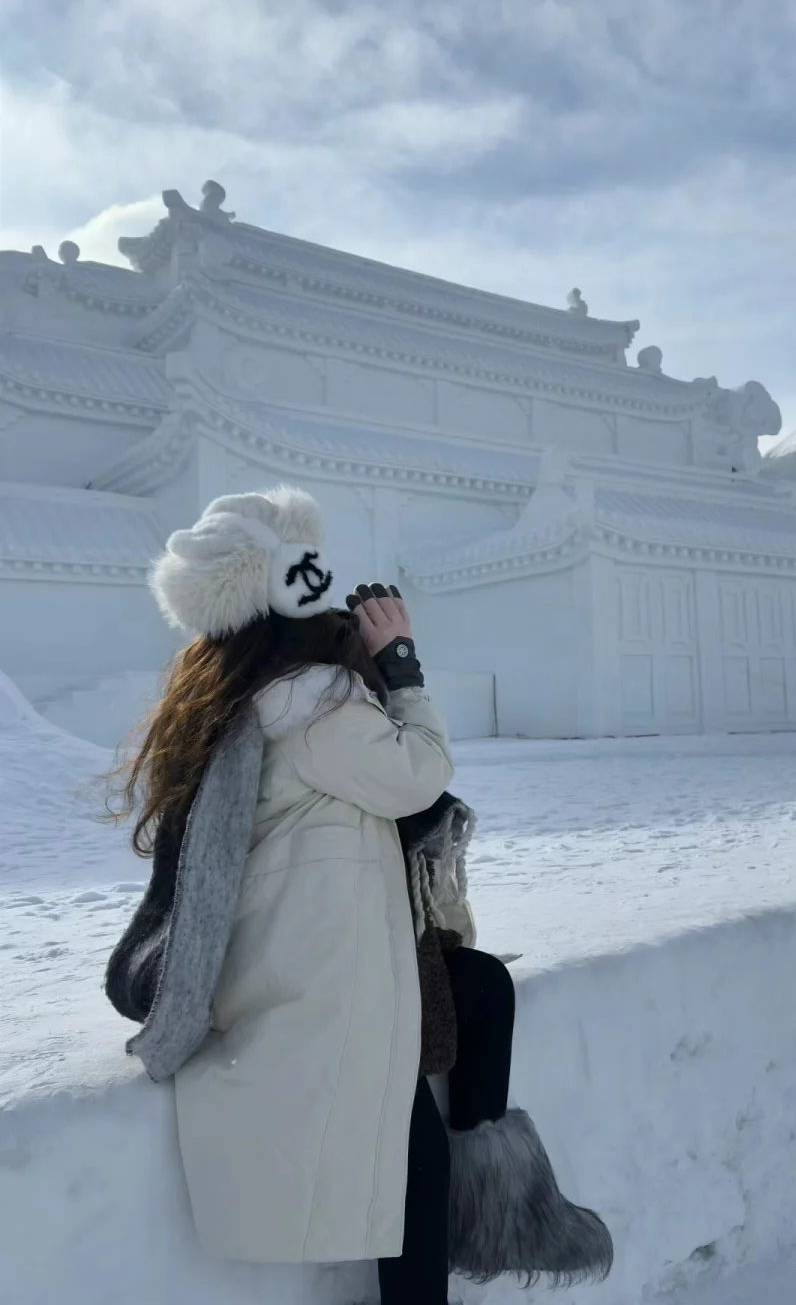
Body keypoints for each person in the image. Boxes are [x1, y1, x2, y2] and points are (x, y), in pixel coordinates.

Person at [103, 484, 613, 1305]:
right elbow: (417, 775)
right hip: (333, 992)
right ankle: (485, 1220)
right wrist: (401, 663)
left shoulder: (238, 701)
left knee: (477, 996)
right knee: (409, 1156)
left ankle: (492, 1196)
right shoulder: (313, 700)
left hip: (297, 973)